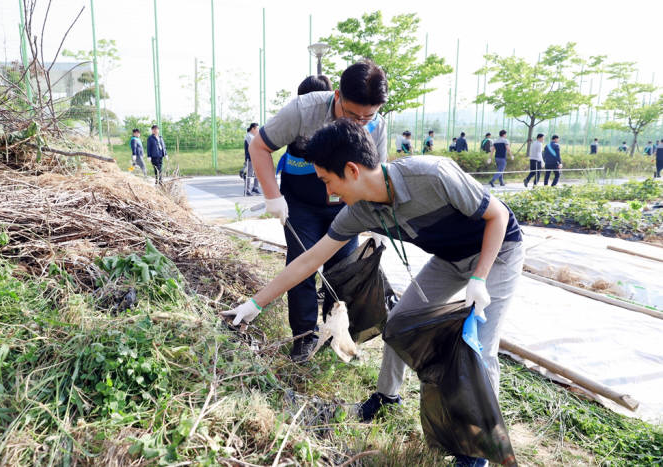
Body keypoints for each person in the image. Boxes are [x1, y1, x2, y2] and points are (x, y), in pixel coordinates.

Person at [222, 119, 524, 467]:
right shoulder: (360, 210)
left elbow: (498, 217)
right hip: (451, 259)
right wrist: (254, 303)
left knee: (479, 349)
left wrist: (481, 278)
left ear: (351, 170)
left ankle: (479, 451)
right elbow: (309, 260)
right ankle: (386, 398)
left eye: (327, 181)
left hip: (498, 252)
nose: (329, 193)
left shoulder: (432, 175)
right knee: (398, 323)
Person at [247, 62, 388, 362]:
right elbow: (259, 147)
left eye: (368, 117)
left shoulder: (378, 125)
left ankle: (335, 333)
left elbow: (377, 176)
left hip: (345, 207)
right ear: (336, 95)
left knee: (342, 271)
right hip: (301, 203)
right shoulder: (303, 110)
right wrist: (273, 197)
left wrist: (374, 222)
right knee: (302, 266)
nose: (360, 123)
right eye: (352, 115)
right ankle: (304, 337)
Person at [244, 123, 262, 196]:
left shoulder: (253, 136)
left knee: (257, 173)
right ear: (253, 129)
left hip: (256, 157)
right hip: (250, 158)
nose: (258, 130)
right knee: (249, 174)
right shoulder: (249, 136)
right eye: (257, 128)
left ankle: (255, 188)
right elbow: (255, 145)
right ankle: (247, 190)